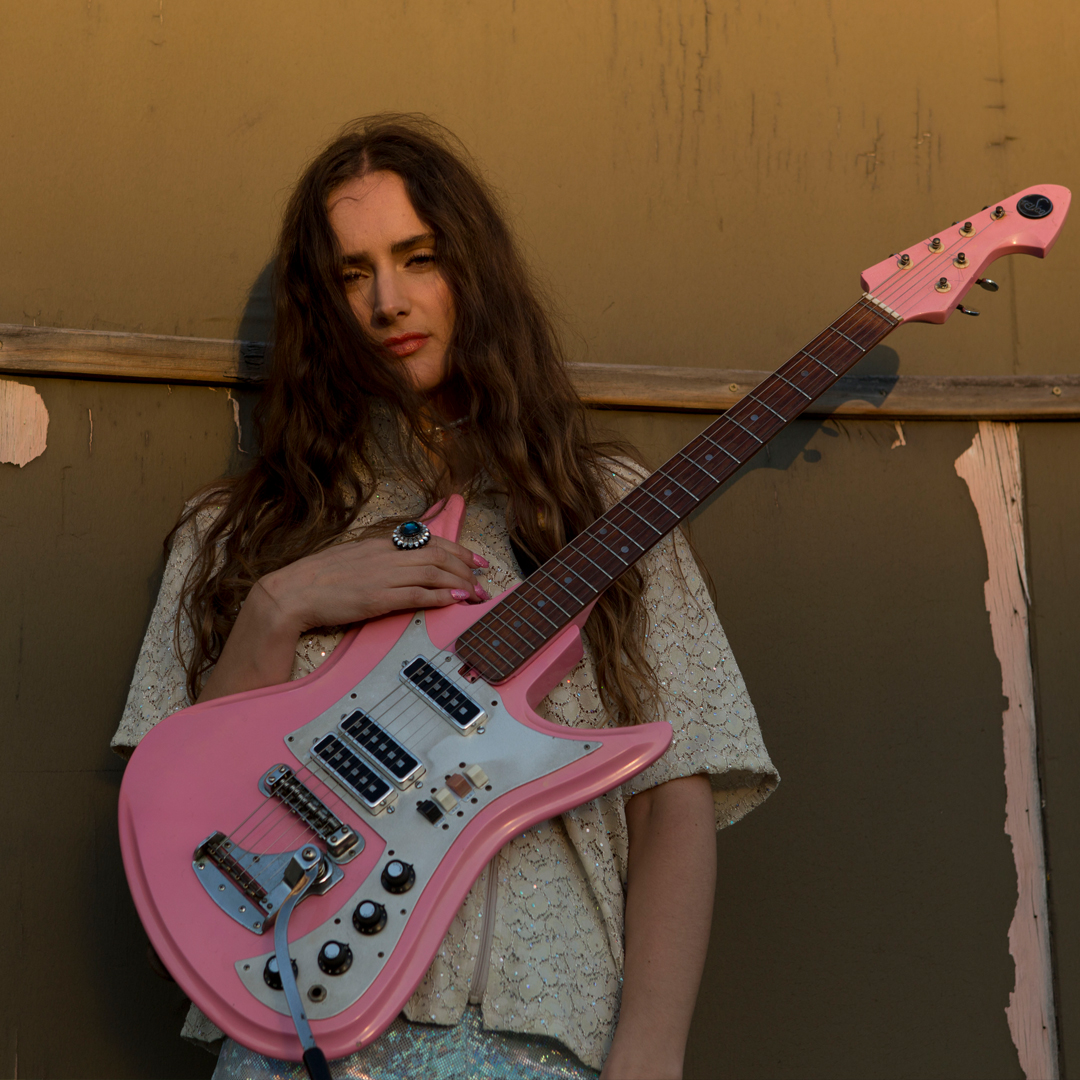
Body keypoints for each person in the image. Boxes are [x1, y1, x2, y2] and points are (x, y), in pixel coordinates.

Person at [113, 115, 778, 1080]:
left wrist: (650, 1052)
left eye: (418, 257)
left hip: (530, 1039)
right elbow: (182, 819)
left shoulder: (608, 510)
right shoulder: (232, 534)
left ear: (473, 270)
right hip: (289, 1036)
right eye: (351, 274)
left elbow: (673, 796)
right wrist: (279, 605)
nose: (387, 301)